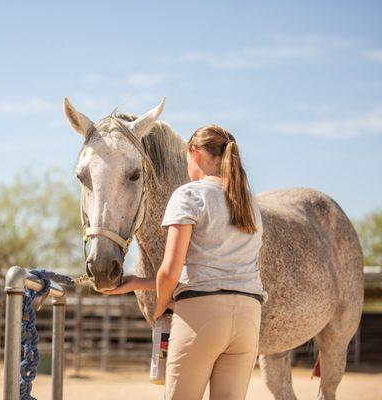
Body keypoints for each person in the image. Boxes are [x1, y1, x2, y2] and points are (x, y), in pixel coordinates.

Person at [98, 124, 268, 400]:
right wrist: (137, 283)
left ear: (194, 153)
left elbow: (170, 271)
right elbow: (221, 271)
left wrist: (162, 305)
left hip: (201, 317)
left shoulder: (188, 194)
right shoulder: (249, 203)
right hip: (248, 317)